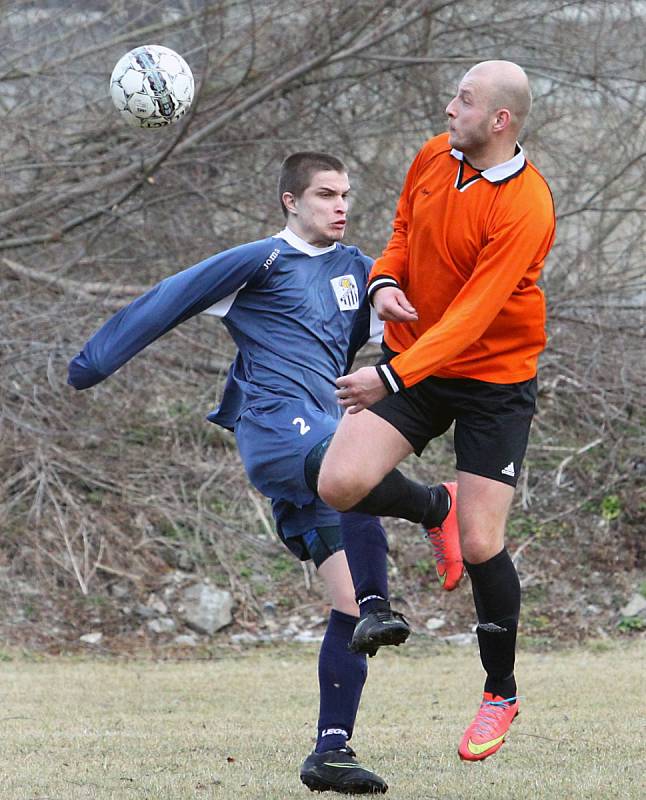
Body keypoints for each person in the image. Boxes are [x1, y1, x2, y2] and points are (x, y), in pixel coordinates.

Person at [68, 152, 396, 795]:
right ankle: (436, 511)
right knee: (355, 468)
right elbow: (168, 301)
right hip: (280, 431)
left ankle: (331, 751)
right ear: (289, 202)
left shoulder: (359, 270)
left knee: (347, 600)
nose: (341, 206)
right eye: (326, 194)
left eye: (346, 194)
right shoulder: (261, 262)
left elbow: (406, 335)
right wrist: (94, 363)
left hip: (322, 437)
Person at [317, 60, 556, 763]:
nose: (451, 107)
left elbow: (476, 318)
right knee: (339, 482)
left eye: (466, 99)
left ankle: (499, 692)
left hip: (491, 379)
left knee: (483, 544)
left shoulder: (525, 206)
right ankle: (433, 508)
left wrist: (387, 373)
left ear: (500, 121)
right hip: (417, 361)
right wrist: (385, 280)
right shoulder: (434, 153)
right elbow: (400, 229)